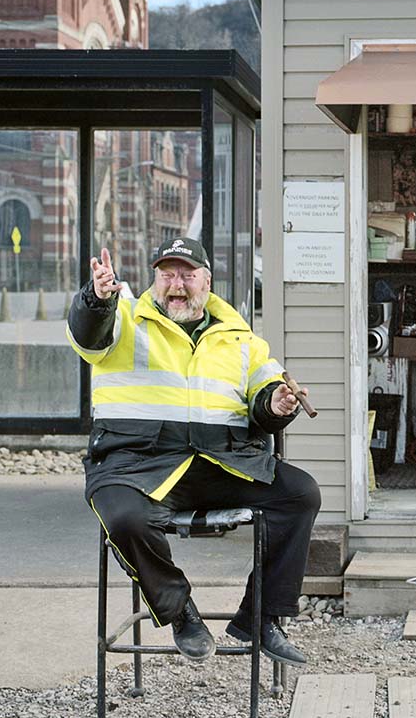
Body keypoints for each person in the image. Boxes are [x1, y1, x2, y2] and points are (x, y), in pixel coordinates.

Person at [67, 237, 321, 666]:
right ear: (154, 280)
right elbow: (88, 336)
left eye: (187, 274)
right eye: (167, 274)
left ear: (207, 280)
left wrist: (275, 405)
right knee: (126, 517)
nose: (176, 284)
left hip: (220, 462)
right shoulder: (124, 316)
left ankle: (260, 617)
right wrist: (96, 298)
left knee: (301, 494)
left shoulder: (241, 337)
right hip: (135, 464)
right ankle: (179, 609)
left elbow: (265, 397)